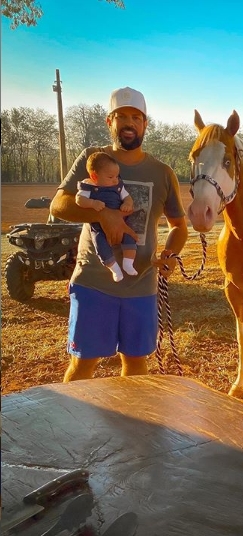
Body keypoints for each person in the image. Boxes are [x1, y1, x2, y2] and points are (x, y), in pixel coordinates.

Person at [49, 86, 188, 381]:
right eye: (121, 116)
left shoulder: (163, 173)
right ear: (109, 122)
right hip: (93, 283)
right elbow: (59, 204)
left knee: (136, 368)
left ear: (145, 123)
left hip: (141, 287)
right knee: (83, 366)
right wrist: (103, 214)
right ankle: (73, 413)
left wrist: (170, 254)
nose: (129, 123)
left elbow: (178, 226)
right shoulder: (92, 159)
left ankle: (131, 415)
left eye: (136, 117)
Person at [75, 151, 138, 282]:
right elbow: (79, 200)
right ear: (94, 176)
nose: (115, 179)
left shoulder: (118, 186)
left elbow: (127, 197)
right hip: (98, 228)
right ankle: (114, 269)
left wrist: (127, 203)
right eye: (110, 177)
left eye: (116, 176)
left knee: (130, 238)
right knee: (101, 246)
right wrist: (92, 203)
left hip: (122, 223)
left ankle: (128, 263)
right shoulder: (88, 187)